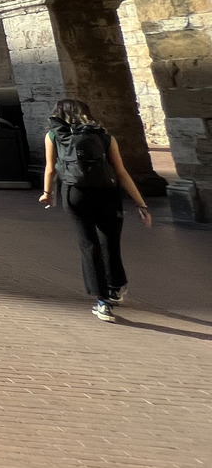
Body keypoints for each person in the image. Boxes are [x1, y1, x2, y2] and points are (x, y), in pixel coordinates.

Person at [40, 98, 153, 321]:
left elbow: (50, 168)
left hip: (75, 194)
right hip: (107, 192)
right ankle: (116, 286)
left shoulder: (54, 135)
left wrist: (47, 193)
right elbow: (121, 172)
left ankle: (102, 302)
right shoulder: (104, 136)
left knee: (88, 244)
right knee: (110, 241)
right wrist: (141, 204)